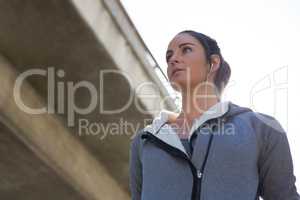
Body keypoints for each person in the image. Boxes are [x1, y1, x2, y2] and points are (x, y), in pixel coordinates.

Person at [129, 30, 300, 200]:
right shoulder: (144, 141)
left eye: (186, 49)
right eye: (169, 56)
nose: (173, 59)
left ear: (213, 62)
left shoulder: (261, 128)